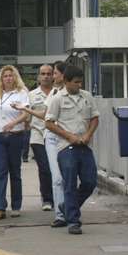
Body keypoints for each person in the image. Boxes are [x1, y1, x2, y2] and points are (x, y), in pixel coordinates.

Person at [45, 65, 99, 235]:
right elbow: (49, 123)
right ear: (66, 82)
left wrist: (88, 134)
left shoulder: (87, 97)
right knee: (69, 183)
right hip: (66, 147)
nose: (79, 85)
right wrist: (69, 136)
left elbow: (95, 118)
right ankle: (73, 221)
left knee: (90, 182)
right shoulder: (57, 99)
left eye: (81, 82)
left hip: (84, 145)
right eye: (76, 82)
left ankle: (66, 207)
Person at [0, 65, 29, 220]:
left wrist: (13, 123)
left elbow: (26, 114)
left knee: (15, 171)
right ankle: (0, 207)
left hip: (15, 136)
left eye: (10, 75)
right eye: (5, 76)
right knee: (0, 172)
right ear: (1, 79)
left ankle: (16, 206)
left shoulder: (21, 93)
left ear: (15, 77)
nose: (8, 78)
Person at [15, 65, 54, 211]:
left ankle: (59, 196)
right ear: (38, 76)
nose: (46, 76)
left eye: (49, 74)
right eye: (43, 74)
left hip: (56, 134)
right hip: (38, 135)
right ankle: (47, 199)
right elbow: (26, 116)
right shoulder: (31, 95)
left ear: (53, 76)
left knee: (57, 168)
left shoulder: (58, 93)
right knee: (45, 168)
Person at [44, 61, 67, 227]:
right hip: (52, 138)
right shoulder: (53, 92)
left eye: (55, 73)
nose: (53, 76)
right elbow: (45, 115)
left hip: (69, 139)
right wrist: (26, 110)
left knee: (70, 178)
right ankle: (60, 215)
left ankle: (70, 210)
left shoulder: (75, 93)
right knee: (57, 178)